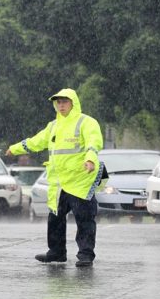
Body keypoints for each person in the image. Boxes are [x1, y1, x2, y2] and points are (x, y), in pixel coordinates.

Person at [6, 88, 104, 267]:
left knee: (84, 219)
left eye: (65, 101)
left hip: (80, 180)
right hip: (59, 184)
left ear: (73, 103)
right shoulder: (53, 126)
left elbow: (93, 143)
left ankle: (85, 255)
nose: (61, 105)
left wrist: (90, 160)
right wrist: (15, 148)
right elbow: (36, 141)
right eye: (58, 102)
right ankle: (57, 252)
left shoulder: (86, 122)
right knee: (55, 218)